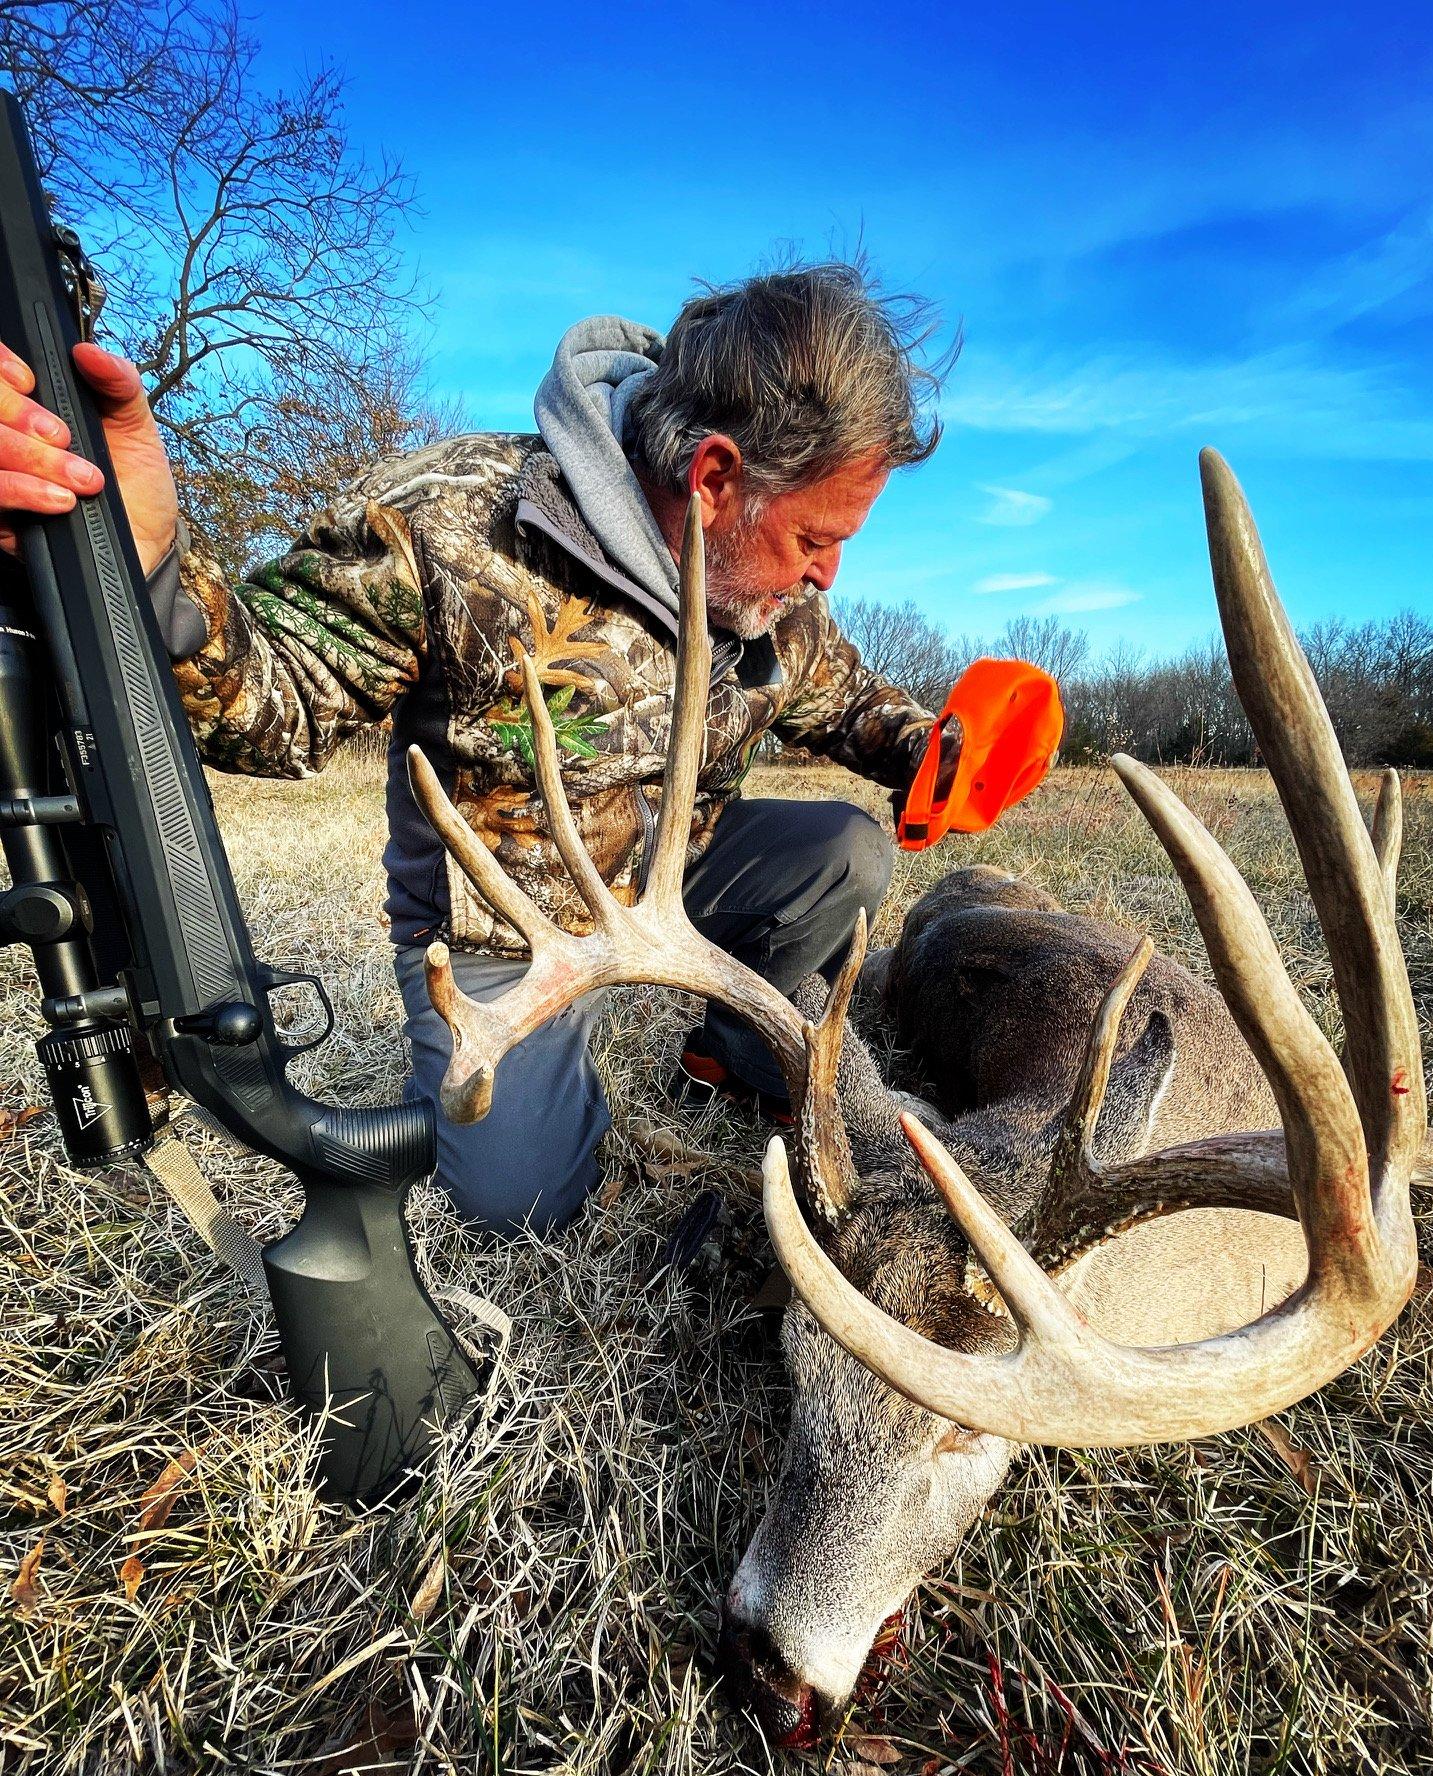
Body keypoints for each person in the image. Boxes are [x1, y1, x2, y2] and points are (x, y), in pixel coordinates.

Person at [0, 265, 956, 1233]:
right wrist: (150, 570)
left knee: (846, 850)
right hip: (509, 937)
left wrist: (941, 751)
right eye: (814, 538)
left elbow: (848, 702)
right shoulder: (453, 519)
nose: (829, 573)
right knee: (519, 1204)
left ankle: (734, 1062)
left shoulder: (779, 595)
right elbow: (275, 694)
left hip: (679, 880)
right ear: (714, 480)